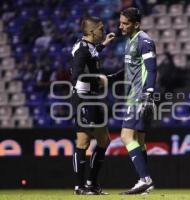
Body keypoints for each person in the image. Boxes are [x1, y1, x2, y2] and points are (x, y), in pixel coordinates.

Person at [70, 16, 115, 195]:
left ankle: (91, 183)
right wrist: (97, 79)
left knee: (104, 140)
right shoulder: (81, 50)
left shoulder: (88, 47)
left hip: (93, 98)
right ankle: (79, 187)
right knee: (83, 142)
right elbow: (76, 76)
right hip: (83, 99)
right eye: (101, 29)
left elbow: (93, 53)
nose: (103, 31)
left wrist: (104, 44)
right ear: (91, 31)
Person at [118, 7, 156, 195]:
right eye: (120, 23)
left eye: (125, 23)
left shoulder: (144, 41)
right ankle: (145, 183)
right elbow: (131, 70)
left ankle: (144, 179)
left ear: (136, 24)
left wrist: (148, 93)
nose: (121, 27)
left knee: (126, 136)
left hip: (139, 96)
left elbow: (152, 69)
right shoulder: (130, 41)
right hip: (134, 95)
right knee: (139, 141)